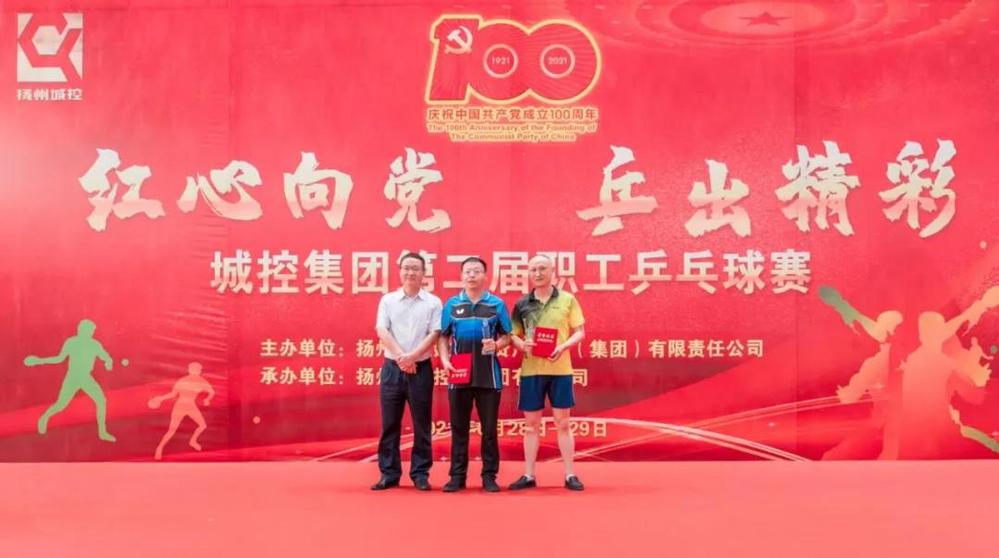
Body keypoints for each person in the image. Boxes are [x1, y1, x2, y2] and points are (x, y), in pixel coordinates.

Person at [508, 255, 586, 491]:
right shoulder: (522, 304)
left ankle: (570, 474)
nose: (538, 273)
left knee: (563, 423)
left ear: (553, 272)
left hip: (560, 370)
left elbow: (580, 331)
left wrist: (562, 347)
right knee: (531, 425)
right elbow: (513, 335)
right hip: (531, 370)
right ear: (528, 273)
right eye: (533, 269)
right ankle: (529, 475)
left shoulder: (567, 299)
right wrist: (521, 345)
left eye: (542, 268)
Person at [438, 256, 512, 492]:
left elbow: (508, 335)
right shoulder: (451, 305)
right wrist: (444, 360)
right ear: (461, 276)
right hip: (458, 373)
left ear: (485, 276)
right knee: (459, 428)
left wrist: (497, 345)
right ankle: (457, 476)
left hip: (488, 375)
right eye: (468, 271)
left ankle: (489, 476)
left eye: (476, 271)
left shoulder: (496, 304)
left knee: (489, 430)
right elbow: (442, 337)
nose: (472, 275)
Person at [371, 252, 442, 491]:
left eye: (415, 268)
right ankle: (389, 473)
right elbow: (382, 330)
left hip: (421, 368)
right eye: (406, 268)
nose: (410, 272)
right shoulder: (388, 300)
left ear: (424, 273)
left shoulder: (433, 302)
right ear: (400, 271)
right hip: (392, 368)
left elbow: (435, 333)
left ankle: (420, 473)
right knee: (390, 423)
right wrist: (402, 357)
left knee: (422, 423)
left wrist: (412, 357)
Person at [25, 319, 117, 442]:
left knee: (101, 401)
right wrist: (40, 360)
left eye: (91, 331)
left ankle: (102, 432)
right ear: (81, 330)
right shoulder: (71, 342)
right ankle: (44, 417)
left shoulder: (95, 344)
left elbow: (106, 357)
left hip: (86, 377)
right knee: (61, 405)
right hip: (72, 377)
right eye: (87, 330)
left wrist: (109, 362)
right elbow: (59, 358)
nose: (90, 332)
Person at [149, 362, 215, 460]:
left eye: (196, 370)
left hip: (191, 406)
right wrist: (161, 398)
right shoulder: (183, 380)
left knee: (203, 425)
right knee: (172, 430)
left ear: (200, 371)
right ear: (189, 370)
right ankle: (160, 447)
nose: (194, 371)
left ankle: (193, 441)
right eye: (192, 369)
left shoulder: (202, 381)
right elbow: (173, 394)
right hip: (180, 406)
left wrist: (207, 399)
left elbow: (212, 392)